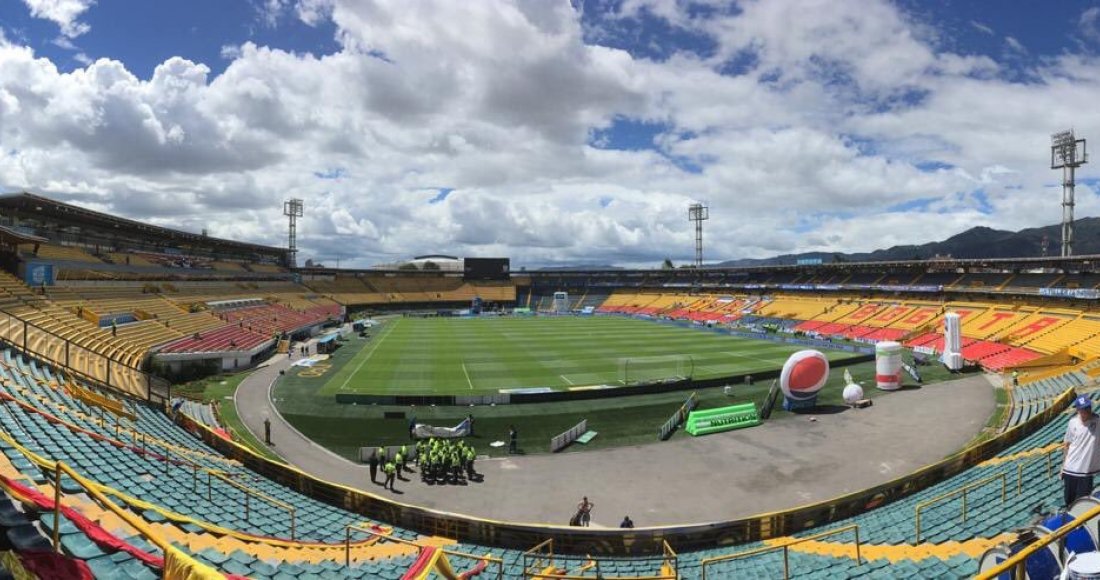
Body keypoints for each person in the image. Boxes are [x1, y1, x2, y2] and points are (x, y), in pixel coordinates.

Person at [1062, 395, 1100, 507]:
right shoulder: (1072, 423)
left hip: (1086, 471)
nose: (1087, 411)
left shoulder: (1098, 421)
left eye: (1088, 407)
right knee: (1069, 501)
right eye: (1084, 409)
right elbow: (1067, 445)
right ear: (1078, 410)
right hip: (1070, 469)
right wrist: (1063, 466)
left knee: (1083, 504)